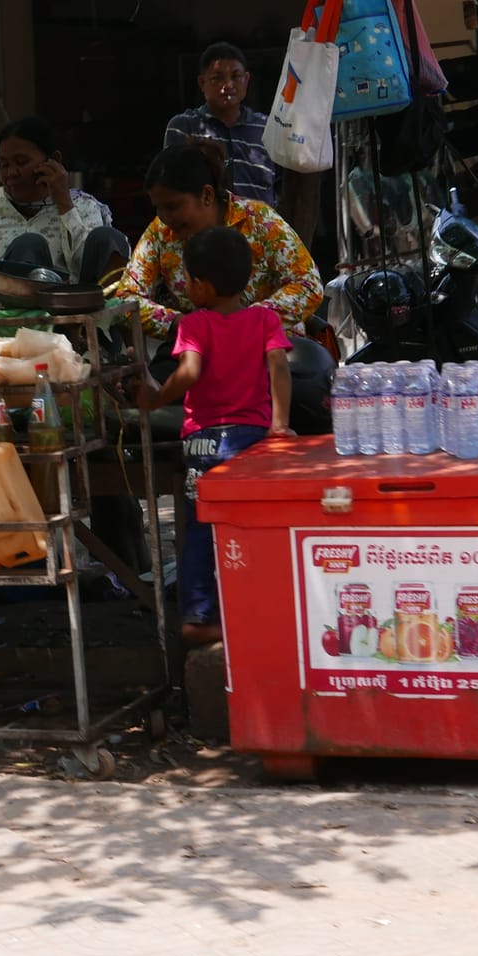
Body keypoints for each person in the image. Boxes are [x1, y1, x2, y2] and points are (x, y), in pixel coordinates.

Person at [134, 225, 291, 645]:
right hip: (253, 440)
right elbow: (278, 366)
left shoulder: (195, 324)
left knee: (202, 530)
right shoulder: (265, 318)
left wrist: (153, 398)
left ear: (201, 286)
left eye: (187, 280)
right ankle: (262, 607)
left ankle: (199, 616)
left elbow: (188, 373)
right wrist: (279, 424)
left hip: (205, 442)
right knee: (253, 527)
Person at [112, 140, 332, 433]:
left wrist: (246, 324)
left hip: (263, 352)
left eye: (174, 206)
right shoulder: (161, 232)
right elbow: (125, 298)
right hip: (196, 350)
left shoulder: (259, 220)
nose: (165, 217)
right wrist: (178, 322)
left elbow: (308, 284)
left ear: (206, 195)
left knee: (300, 397)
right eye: (159, 208)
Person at [0, 117, 127, 304]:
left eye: (21, 162)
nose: (11, 173)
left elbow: (83, 273)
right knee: (27, 246)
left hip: (59, 323)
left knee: (105, 237)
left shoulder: (83, 207)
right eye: (4, 165)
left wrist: (64, 205)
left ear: (53, 161)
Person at [163, 41, 275, 207]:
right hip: (207, 231)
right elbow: (172, 185)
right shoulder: (184, 127)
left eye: (236, 77)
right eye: (217, 78)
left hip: (262, 229)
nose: (228, 85)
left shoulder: (267, 128)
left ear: (246, 79)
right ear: (202, 83)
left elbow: (282, 186)